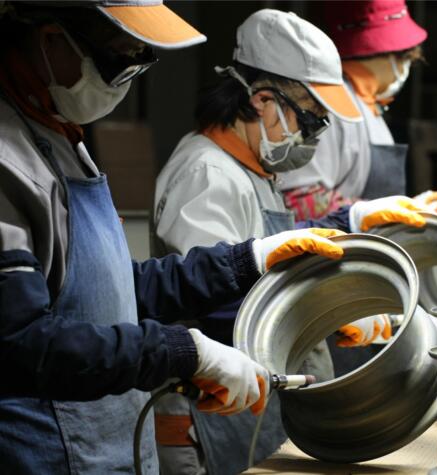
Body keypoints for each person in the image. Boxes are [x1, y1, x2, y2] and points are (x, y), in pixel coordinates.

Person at [0, 2, 354, 474]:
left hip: (108, 439)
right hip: (48, 452)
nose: (129, 76)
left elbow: (114, 292)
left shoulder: (62, 140)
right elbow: (21, 340)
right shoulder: (10, 156)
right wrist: (181, 351)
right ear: (50, 41)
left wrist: (247, 260)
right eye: (120, 55)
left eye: (141, 58)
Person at [151, 9, 428, 475]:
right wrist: (329, 310)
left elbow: (272, 254)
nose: (314, 137)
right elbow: (215, 298)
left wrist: (348, 220)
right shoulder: (206, 174)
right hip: (207, 419)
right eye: (311, 120)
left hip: (250, 409)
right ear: (263, 101)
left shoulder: (252, 170)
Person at [278, 0, 427, 221]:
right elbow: (298, 201)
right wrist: (368, 212)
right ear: (386, 55)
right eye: (406, 58)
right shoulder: (331, 105)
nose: (406, 66)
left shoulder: (368, 105)